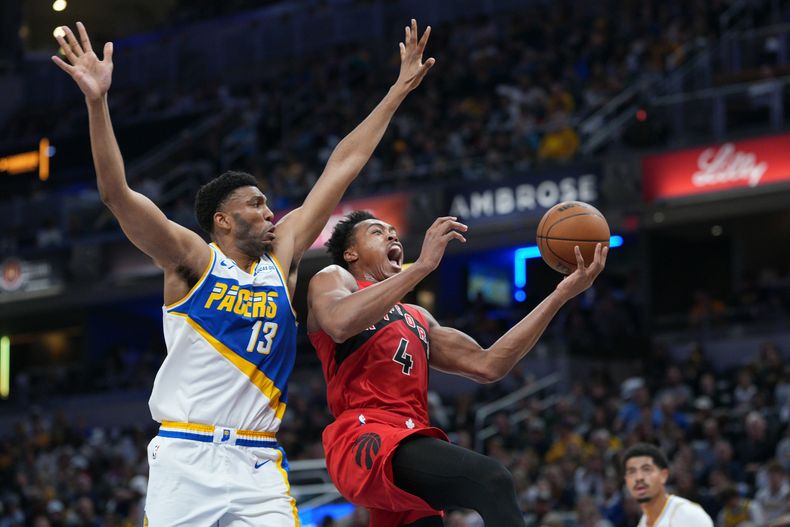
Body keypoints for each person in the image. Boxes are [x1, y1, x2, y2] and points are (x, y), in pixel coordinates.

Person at [52, 20, 435, 526]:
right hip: (186, 458)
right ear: (223, 220)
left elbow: (343, 165)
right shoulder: (192, 259)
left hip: (257, 462)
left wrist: (397, 90)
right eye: (256, 204)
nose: (270, 212)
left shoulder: (282, 261)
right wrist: (98, 103)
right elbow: (116, 196)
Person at [306, 210, 608, 526]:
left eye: (393, 231)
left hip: (409, 437)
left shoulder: (418, 317)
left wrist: (559, 296)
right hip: (364, 436)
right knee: (492, 480)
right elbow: (339, 323)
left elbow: (489, 364)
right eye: (377, 232)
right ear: (350, 253)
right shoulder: (335, 278)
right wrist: (423, 266)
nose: (392, 235)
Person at [623, 443, 714, 527]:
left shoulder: (689, 514)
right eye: (632, 472)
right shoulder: (643, 523)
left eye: (646, 469)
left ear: (663, 475)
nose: (639, 478)